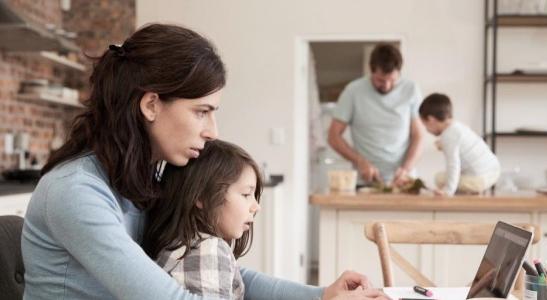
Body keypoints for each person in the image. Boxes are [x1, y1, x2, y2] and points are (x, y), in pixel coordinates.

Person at [20, 23, 390, 300]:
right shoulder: (77, 191)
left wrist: (321, 295)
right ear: (150, 105)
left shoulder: (144, 180)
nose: (213, 130)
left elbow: (220, 268)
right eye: (202, 112)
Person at [143, 140, 262, 299]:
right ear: (201, 197)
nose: (256, 207)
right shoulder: (209, 249)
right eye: (246, 194)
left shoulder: (177, 242)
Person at [328, 43, 424, 187]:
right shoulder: (353, 91)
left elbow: (418, 135)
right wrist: (359, 161)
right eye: (380, 80)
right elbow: (333, 136)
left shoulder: (411, 90)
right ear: (371, 71)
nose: (386, 86)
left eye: (392, 80)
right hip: (365, 182)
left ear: (399, 72)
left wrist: (406, 168)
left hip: (403, 181)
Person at [418, 93, 500, 196]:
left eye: (425, 125)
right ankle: (472, 190)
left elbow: (453, 165)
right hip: (493, 170)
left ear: (431, 119)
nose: (427, 130)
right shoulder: (458, 127)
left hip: (480, 179)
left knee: (439, 178)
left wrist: (447, 191)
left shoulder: (448, 136)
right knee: (456, 175)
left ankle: (468, 191)